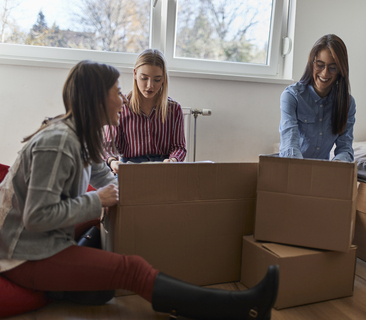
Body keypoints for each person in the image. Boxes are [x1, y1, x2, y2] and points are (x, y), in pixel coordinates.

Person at [0, 60, 279, 319]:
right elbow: (37, 217)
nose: (123, 98)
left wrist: (147, 203)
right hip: (23, 254)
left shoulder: (82, 136)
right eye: (117, 91)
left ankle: (75, 281)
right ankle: (243, 307)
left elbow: (107, 179)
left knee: (101, 277)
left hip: (42, 241)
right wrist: (96, 200)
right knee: (131, 269)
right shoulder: (59, 141)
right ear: (97, 99)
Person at [104, 49, 187, 174]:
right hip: (130, 167)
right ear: (135, 74)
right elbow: (109, 146)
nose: (150, 86)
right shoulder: (121, 107)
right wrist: (112, 161)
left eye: (157, 79)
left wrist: (173, 160)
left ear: (163, 78)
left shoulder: (174, 109)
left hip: (163, 169)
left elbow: (179, 147)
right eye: (144, 78)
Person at [279, 34, 356, 162]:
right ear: (311, 63)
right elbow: (290, 143)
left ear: (340, 70)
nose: (325, 73)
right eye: (320, 65)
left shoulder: (347, 103)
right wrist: (301, 169)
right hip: (292, 166)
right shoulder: (291, 96)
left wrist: (337, 165)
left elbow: (345, 148)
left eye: (332, 68)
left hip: (321, 171)